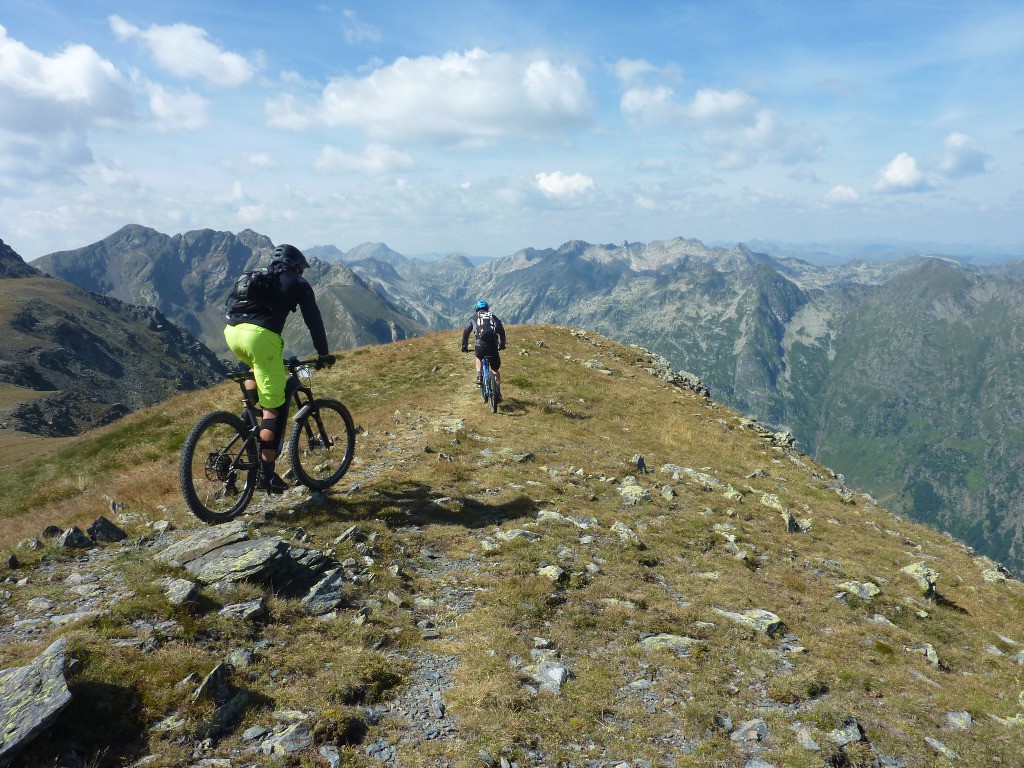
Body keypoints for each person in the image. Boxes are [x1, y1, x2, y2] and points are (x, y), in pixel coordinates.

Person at [224, 244, 334, 493]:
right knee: (273, 406)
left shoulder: (258, 276)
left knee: (257, 370)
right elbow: (313, 319)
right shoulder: (298, 283)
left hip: (232, 333)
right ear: (296, 265)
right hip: (262, 338)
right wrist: (323, 353)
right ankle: (267, 475)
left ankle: (246, 421)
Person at [461, 299, 506, 399]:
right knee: (495, 370)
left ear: (476, 309)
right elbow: (501, 331)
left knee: (478, 357)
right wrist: (502, 344)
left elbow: (466, 333)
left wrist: (464, 347)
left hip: (480, 346)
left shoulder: (473, 318)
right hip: (493, 346)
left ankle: (479, 375)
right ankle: (497, 393)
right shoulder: (493, 316)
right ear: (487, 308)